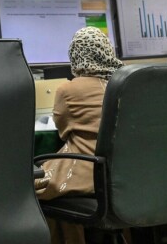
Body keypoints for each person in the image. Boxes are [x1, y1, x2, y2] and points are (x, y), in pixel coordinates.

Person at [35, 26, 123, 244]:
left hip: (88, 172)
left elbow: (63, 130)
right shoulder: (127, 84)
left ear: (75, 55)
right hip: (128, 174)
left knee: (38, 187)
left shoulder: (68, 89)